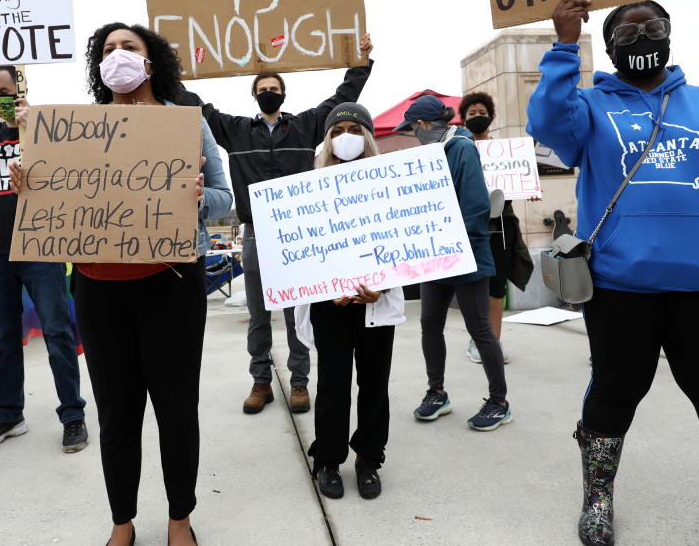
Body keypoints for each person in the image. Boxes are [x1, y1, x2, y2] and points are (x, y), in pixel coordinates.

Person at [527, 0, 699, 546]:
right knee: (615, 391)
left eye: (653, 25)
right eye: (628, 29)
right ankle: (597, 497)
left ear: (670, 35)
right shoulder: (589, 107)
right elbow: (546, 122)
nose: (641, 36)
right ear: (611, 44)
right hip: (621, 284)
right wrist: (564, 44)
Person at [20, 22, 232, 546]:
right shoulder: (74, 131)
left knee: (174, 407)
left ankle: (180, 518)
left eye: (129, 48)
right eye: (108, 50)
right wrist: (29, 185)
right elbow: (51, 198)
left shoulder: (187, 123)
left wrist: (194, 197)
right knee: (116, 411)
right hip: (97, 285)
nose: (118, 56)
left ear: (152, 62)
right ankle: (122, 523)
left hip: (171, 284)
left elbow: (223, 199)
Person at [182, 36, 375, 416]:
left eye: (274, 89)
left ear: (283, 94)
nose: (269, 93)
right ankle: (261, 382)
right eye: (262, 89)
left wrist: (363, 61)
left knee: (295, 313)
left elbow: (342, 97)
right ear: (254, 96)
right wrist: (168, 67)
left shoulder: (305, 127)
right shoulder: (234, 130)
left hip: (297, 236)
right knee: (258, 313)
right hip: (255, 235)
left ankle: (299, 382)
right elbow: (196, 106)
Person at [0, 64, 88, 454]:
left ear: (21, 90)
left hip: (40, 246)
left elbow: (66, 181)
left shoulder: (44, 129)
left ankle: (72, 415)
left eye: (4, 91)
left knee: (57, 330)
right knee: (2, 335)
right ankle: (8, 414)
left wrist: (36, 134)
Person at [295, 103, 405, 500]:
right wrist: (327, 287)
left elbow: (403, 242)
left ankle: (368, 459)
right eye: (338, 129)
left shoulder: (390, 184)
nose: (346, 136)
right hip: (331, 306)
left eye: (355, 129)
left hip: (375, 303)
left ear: (369, 137)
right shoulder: (308, 189)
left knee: (375, 384)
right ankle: (327, 458)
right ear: (326, 138)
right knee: (333, 384)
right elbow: (302, 252)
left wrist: (385, 288)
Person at [397, 96, 510, 431]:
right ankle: (436, 392)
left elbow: (475, 206)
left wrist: (454, 246)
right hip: (435, 256)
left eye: (413, 128)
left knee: (479, 328)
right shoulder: (433, 152)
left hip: (464, 256)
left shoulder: (460, 147)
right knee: (430, 324)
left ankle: (499, 401)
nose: (412, 135)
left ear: (423, 125)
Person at [459, 93, 536, 362]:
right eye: (471, 113)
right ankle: (477, 339)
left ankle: (493, 342)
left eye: (482, 112)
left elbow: (516, 183)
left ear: (491, 116)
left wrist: (530, 188)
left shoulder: (508, 152)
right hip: (471, 226)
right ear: (464, 119)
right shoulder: (459, 150)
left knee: (496, 287)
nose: (477, 117)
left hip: (502, 226)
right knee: (474, 286)